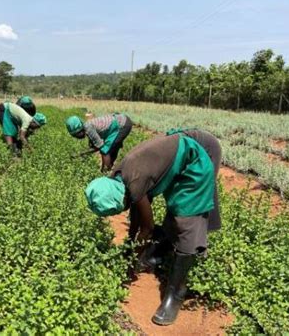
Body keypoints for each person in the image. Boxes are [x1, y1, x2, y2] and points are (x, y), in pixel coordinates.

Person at [84, 128, 221, 326]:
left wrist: (131, 262)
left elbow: (146, 227)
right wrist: (132, 245)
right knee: (175, 206)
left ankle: (175, 293)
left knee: (186, 217)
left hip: (199, 154)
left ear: (122, 197)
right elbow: (136, 213)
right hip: (181, 149)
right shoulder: (118, 177)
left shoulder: (135, 182)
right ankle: (160, 252)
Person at [65, 113, 133, 171]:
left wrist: (81, 154)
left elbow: (102, 148)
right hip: (120, 121)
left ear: (81, 129)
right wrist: (81, 154)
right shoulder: (87, 127)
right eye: (75, 135)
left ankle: (107, 173)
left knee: (106, 150)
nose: (78, 137)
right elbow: (96, 146)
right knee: (110, 148)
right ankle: (109, 169)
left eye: (78, 134)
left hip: (122, 124)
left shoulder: (89, 129)